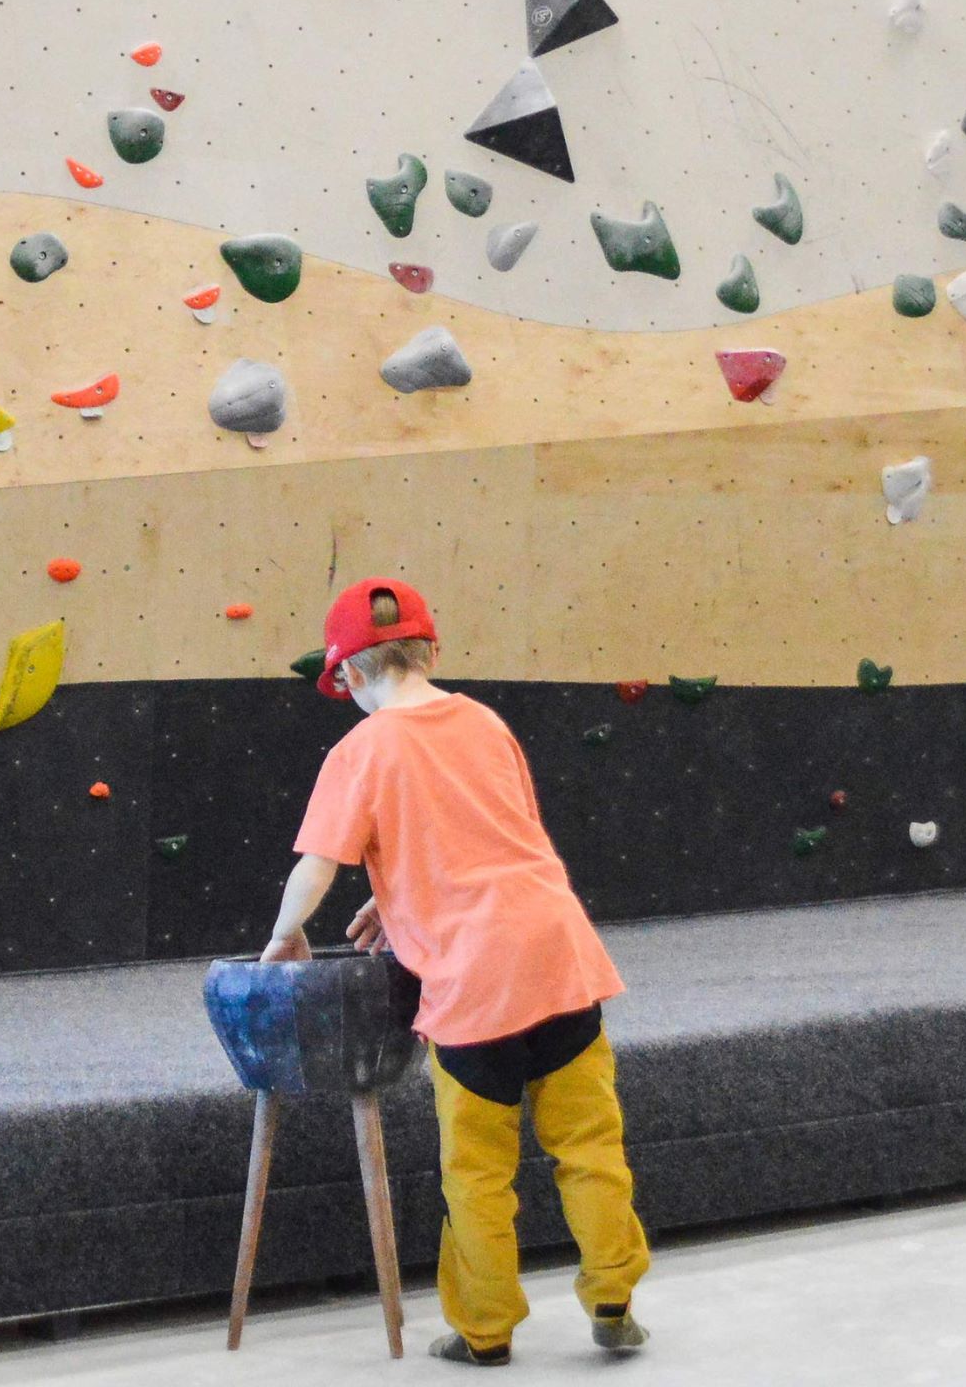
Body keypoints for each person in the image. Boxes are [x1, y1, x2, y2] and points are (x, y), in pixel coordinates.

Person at [259, 576, 651, 1366]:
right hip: (559, 954)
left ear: (351, 676)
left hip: (474, 987)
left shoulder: (360, 748)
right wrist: (394, 892)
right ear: (430, 650)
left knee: (476, 1173)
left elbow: (315, 865)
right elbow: (497, 834)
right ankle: (613, 1300)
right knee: (590, 1147)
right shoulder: (485, 721)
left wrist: (284, 936)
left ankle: (486, 1332)